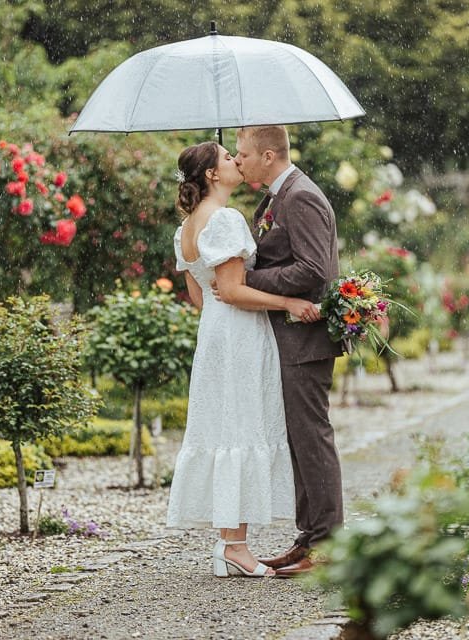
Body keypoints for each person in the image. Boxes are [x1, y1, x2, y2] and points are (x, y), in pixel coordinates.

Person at [165, 141, 320, 578]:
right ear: (213, 175)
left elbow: (200, 295)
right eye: (227, 157)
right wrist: (287, 302)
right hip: (239, 333)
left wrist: (228, 302)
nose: (236, 160)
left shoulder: (187, 227)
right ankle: (234, 546)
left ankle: (230, 543)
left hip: (213, 334)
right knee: (242, 424)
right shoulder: (226, 218)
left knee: (225, 427)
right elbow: (231, 290)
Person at [232, 125, 345, 578]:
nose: (238, 162)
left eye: (243, 155)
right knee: (300, 440)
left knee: (312, 437)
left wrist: (246, 281)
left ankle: (328, 543)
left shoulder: (301, 195)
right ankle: (310, 537)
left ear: (269, 154)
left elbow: (314, 270)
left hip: (306, 338)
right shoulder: (278, 197)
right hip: (291, 337)